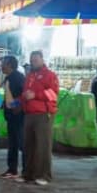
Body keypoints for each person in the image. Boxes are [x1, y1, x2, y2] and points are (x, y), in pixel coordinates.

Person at [21, 50, 59, 185]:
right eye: (32, 60)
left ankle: (44, 175)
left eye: (35, 60)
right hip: (29, 114)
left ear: (42, 60)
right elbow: (25, 93)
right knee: (28, 145)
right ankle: (28, 174)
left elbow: (53, 94)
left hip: (43, 114)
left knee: (43, 145)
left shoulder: (50, 75)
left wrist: (35, 95)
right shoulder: (30, 76)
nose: (33, 62)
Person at [0, 55, 27, 179]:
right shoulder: (9, 78)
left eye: (3, 63)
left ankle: (27, 170)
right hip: (11, 116)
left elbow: (23, 96)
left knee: (21, 144)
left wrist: (14, 105)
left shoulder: (18, 78)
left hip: (18, 116)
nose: (1, 66)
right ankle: (12, 169)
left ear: (10, 65)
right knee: (13, 144)